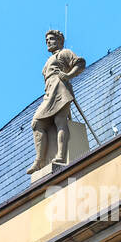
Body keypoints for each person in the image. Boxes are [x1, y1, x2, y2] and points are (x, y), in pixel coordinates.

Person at [28, 30, 86, 173]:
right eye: (47, 40)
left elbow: (80, 62)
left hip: (60, 89)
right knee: (37, 122)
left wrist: (68, 75)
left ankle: (60, 155)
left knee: (60, 121)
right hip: (49, 93)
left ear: (60, 41)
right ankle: (40, 160)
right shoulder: (49, 61)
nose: (48, 41)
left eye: (52, 39)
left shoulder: (64, 53)